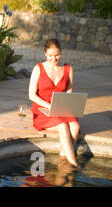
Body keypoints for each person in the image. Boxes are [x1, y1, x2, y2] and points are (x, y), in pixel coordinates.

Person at [28, 38, 80, 167]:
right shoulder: (38, 68)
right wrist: (49, 106)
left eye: (57, 55)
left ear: (61, 52)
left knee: (75, 127)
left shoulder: (68, 69)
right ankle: (73, 165)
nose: (54, 59)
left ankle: (63, 158)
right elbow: (31, 95)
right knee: (63, 127)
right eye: (50, 55)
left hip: (60, 108)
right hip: (42, 109)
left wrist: (69, 107)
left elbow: (69, 92)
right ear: (45, 54)